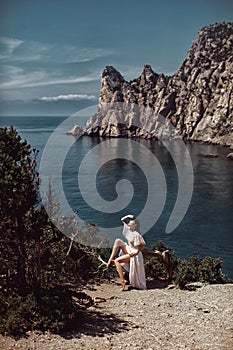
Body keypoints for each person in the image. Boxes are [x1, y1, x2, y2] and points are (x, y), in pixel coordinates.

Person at [107, 214, 147, 291]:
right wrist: (129, 216)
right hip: (129, 249)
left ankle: (123, 281)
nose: (128, 225)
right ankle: (110, 259)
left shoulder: (137, 235)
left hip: (134, 254)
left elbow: (143, 245)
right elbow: (122, 220)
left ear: (135, 226)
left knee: (117, 261)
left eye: (130, 224)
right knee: (118, 241)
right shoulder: (129, 230)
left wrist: (136, 252)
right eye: (128, 224)